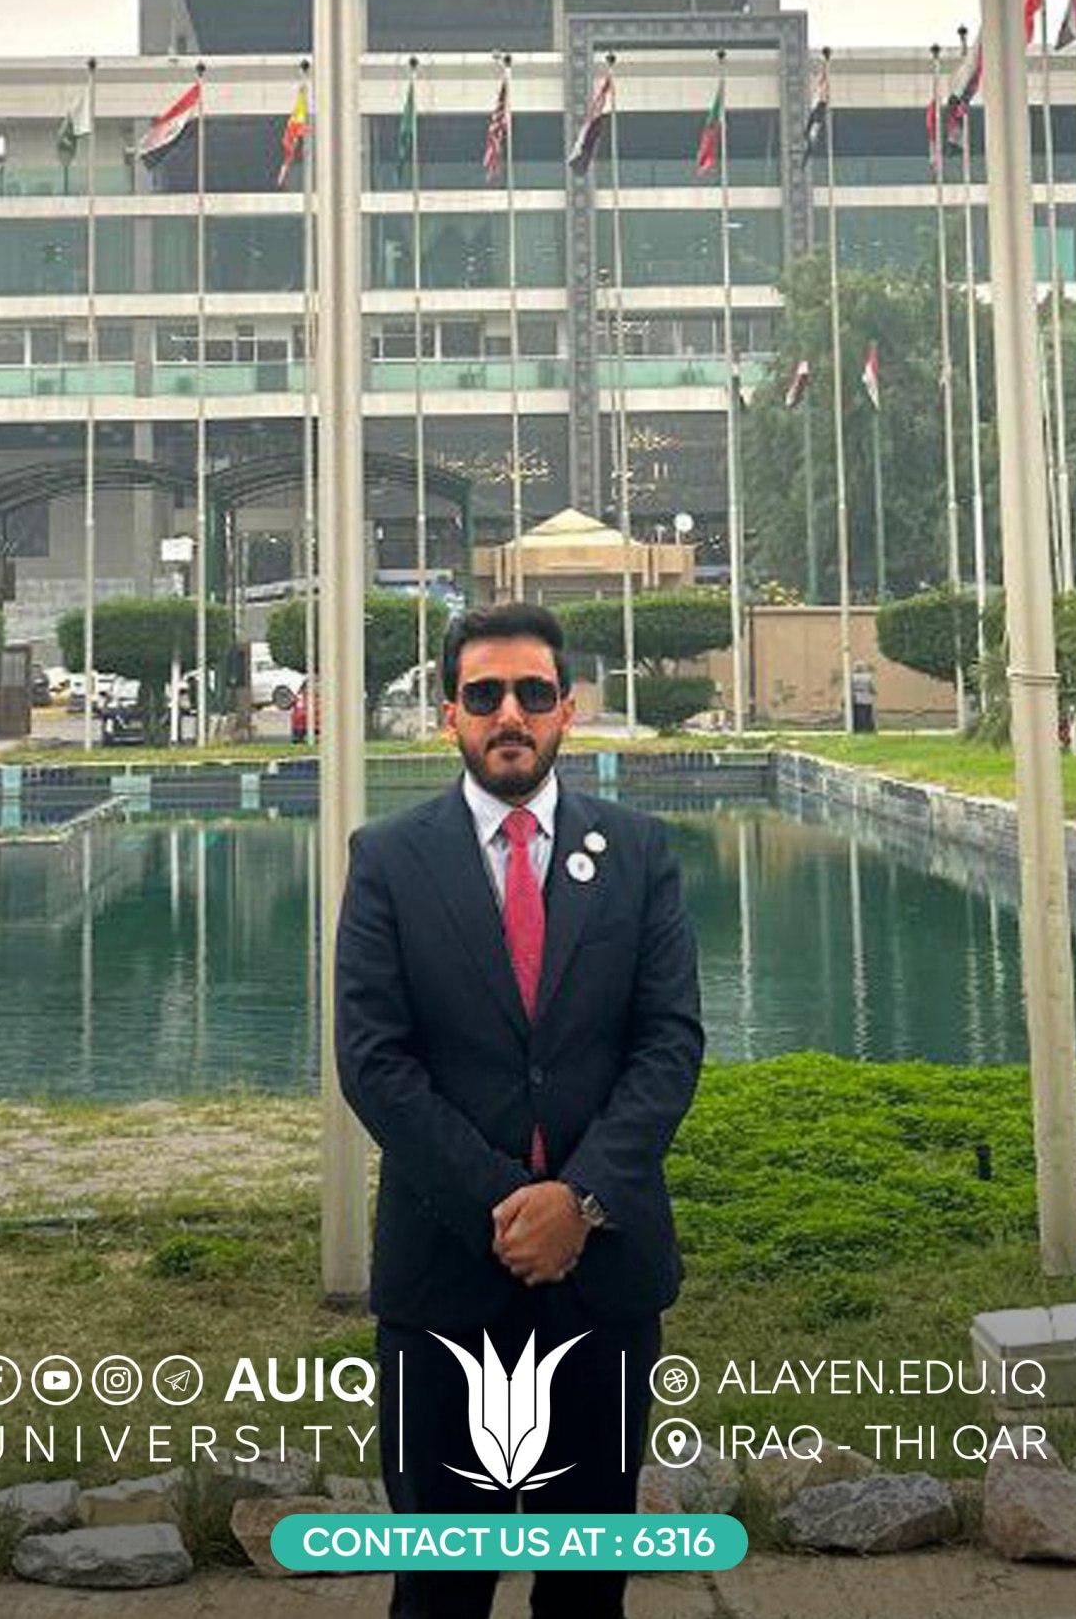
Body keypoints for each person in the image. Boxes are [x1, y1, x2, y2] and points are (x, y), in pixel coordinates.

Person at [336, 601, 705, 1619]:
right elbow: (374, 1060)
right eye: (485, 693)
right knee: (440, 1587)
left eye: (533, 693)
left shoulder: (639, 852)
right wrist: (510, 1207)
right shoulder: (388, 858)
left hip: (603, 1276)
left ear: (566, 710)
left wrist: (577, 1202)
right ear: (449, 714)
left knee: (585, 1588)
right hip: (446, 1278)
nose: (510, 714)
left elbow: (668, 1045)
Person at [848, 658, 877, 733]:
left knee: (858, 714)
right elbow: (871, 687)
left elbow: (850, 687)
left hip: (856, 697)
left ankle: (858, 728)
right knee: (867, 713)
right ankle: (868, 728)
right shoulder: (868, 676)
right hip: (867, 697)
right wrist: (874, 692)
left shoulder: (852, 677)